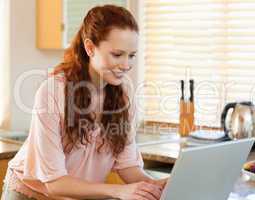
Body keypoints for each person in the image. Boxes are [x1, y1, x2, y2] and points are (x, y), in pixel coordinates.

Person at [1, 5, 167, 200]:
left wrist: (156, 186)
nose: (126, 65)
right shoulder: (53, 92)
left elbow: (127, 164)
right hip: (30, 194)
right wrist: (119, 191)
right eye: (117, 54)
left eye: (131, 56)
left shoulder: (124, 93)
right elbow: (54, 183)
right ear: (90, 48)